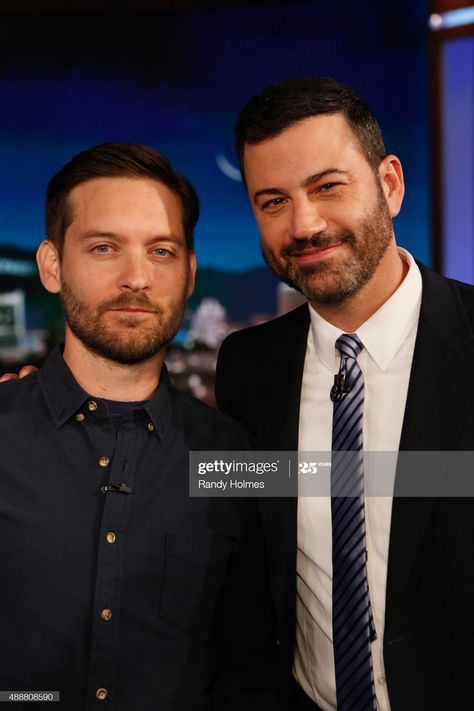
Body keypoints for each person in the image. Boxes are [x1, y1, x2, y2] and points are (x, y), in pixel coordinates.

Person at [215, 77, 474, 711]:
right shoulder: (247, 367)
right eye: (272, 200)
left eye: (328, 187)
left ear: (389, 183)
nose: (304, 224)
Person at [0, 143, 278, 710]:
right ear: (51, 267)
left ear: (190, 272)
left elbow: (252, 672)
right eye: (104, 247)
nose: (137, 277)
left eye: (162, 251)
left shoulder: (233, 458)